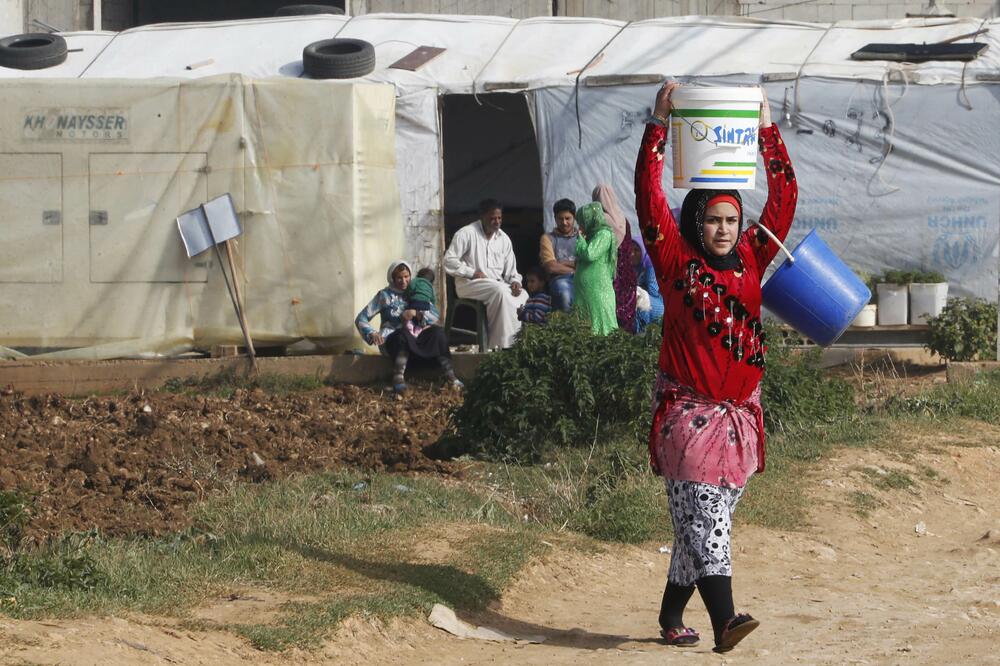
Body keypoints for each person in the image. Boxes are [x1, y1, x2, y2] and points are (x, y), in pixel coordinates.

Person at [636, 82, 796, 653]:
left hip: (740, 421)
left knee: (698, 525)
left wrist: (766, 131)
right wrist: (658, 126)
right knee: (708, 522)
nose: (725, 229)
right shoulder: (674, 260)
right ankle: (726, 621)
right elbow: (648, 198)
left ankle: (670, 616)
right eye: (713, 221)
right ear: (695, 224)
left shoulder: (752, 255)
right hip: (688, 418)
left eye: (731, 219)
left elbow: (784, 201)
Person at [355, 261, 463, 394]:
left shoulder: (417, 291)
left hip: (416, 338)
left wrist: (417, 314)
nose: (404, 281)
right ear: (392, 278)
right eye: (399, 278)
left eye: (406, 277)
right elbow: (361, 318)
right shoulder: (385, 296)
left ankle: (451, 376)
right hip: (393, 340)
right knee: (402, 335)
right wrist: (372, 333)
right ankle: (398, 378)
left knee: (438, 333)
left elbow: (435, 316)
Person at [444, 199, 529, 349]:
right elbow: (448, 261)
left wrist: (515, 281)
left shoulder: (504, 239)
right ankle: (499, 346)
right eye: (492, 218)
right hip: (469, 284)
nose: (497, 222)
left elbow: (511, 271)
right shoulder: (466, 233)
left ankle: (516, 343)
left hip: (495, 284)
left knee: (523, 295)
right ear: (482, 217)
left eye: (499, 218)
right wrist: (472, 272)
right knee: (500, 291)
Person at [592, 184, 636, 332]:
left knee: (607, 318)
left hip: (607, 276)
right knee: (626, 318)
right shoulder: (624, 220)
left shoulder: (599, 221)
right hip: (627, 275)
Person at [573, 202, 618, 336]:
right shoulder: (591, 236)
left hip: (598, 291)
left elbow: (590, 254)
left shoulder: (604, 234)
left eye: (582, 222)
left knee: (601, 327)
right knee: (585, 327)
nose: (580, 227)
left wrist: (580, 239)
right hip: (586, 292)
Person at [539, 198, 578, 312]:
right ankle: (567, 323)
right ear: (555, 218)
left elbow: (588, 263)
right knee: (564, 293)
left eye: (568, 218)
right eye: (560, 219)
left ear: (574, 218)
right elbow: (551, 267)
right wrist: (576, 269)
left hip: (583, 280)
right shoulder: (548, 238)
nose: (564, 222)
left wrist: (562, 262)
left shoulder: (582, 237)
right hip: (559, 280)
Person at [631, 238, 664, 333]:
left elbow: (654, 292)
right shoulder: (630, 267)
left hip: (658, 307)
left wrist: (639, 290)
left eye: (636, 250)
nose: (632, 254)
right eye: (630, 250)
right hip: (644, 305)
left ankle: (642, 332)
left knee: (639, 296)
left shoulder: (650, 264)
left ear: (643, 250)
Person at [404, 267, 437, 336]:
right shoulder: (430, 286)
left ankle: (410, 326)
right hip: (426, 305)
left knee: (411, 316)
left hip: (415, 302)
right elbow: (433, 298)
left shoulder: (416, 280)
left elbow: (410, 287)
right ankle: (418, 330)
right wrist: (431, 303)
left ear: (418, 275)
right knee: (421, 319)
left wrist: (407, 295)